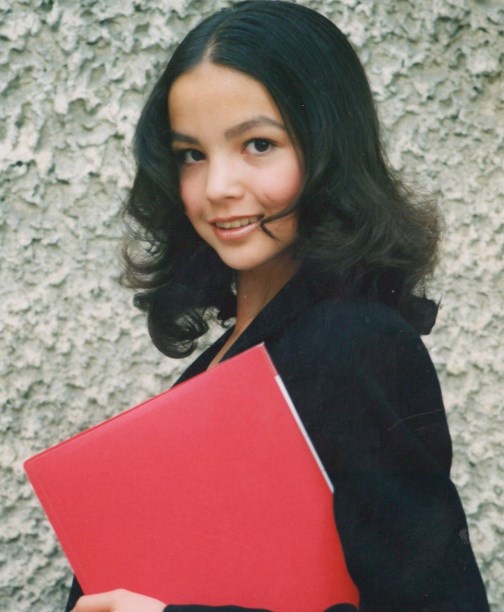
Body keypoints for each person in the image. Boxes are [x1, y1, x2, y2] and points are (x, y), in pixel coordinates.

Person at [67, 1, 489, 610]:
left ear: (328, 150)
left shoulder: (356, 345)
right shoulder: (229, 355)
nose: (217, 187)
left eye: (258, 144)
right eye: (191, 154)